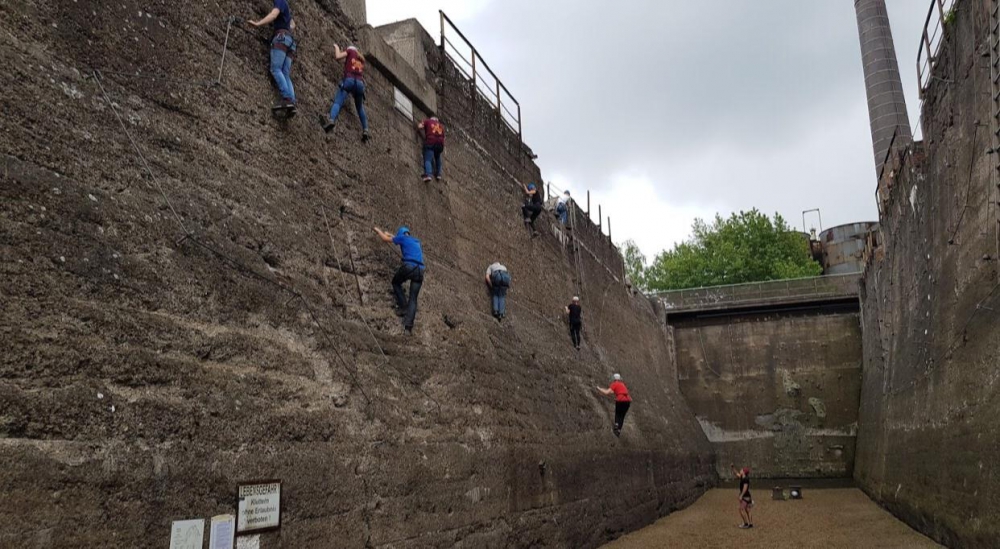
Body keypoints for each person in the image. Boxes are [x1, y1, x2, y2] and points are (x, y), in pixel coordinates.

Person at [374, 226, 424, 334]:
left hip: (409, 267)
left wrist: (378, 230)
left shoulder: (402, 239)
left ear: (401, 234)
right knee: (413, 299)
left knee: (396, 282)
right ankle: (408, 328)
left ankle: (403, 307)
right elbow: (396, 238)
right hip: (420, 270)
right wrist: (391, 234)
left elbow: (385, 239)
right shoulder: (416, 241)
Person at [249, 0, 297, 114]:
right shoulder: (286, 7)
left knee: (275, 69)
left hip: (281, 38)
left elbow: (273, 14)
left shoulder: (280, 1)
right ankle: (292, 103)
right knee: (285, 74)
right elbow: (293, 25)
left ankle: (287, 99)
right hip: (290, 41)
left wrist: (258, 23)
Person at [322, 45, 370, 142]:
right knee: (360, 107)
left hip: (349, 80)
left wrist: (336, 47)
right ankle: (366, 130)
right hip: (360, 84)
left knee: (338, 102)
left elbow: (338, 56)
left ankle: (331, 120)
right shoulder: (360, 58)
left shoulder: (350, 51)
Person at [417, 117, 445, 182]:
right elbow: (443, 137)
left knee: (428, 159)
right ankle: (438, 174)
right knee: (437, 157)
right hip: (440, 144)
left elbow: (420, 126)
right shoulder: (441, 126)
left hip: (431, 141)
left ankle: (428, 175)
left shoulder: (428, 121)